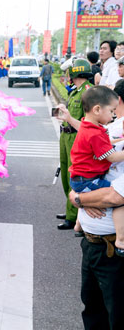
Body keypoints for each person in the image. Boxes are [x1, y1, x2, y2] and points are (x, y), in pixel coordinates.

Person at [68, 86, 124, 254]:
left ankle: (79, 223)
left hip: (80, 178)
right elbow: (111, 157)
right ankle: (121, 240)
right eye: (111, 110)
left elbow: (106, 144)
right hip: (87, 180)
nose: (114, 115)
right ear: (97, 109)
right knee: (119, 198)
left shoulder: (88, 126)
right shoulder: (96, 133)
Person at [67, 181, 124, 329]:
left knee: (118, 312)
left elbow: (115, 197)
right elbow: (74, 189)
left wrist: (81, 199)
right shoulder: (100, 161)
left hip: (115, 252)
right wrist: (81, 198)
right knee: (92, 306)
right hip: (92, 244)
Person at [56, 59, 94, 230]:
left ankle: (73, 215)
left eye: (69, 72)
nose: (67, 76)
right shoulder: (75, 91)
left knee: (73, 174)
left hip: (77, 137)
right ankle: (70, 206)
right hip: (65, 135)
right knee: (64, 172)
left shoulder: (87, 91)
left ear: (75, 73)